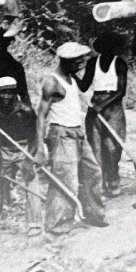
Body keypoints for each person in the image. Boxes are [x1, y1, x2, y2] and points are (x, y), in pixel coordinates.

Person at [38, 42, 107, 234]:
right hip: (61, 135)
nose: (80, 66)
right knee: (65, 180)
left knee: (93, 172)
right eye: (77, 63)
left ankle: (93, 214)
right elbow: (41, 115)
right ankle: (57, 225)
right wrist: (39, 147)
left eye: (81, 62)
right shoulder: (52, 82)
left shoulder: (71, 79)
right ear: (65, 61)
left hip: (78, 133)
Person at [0, 77, 43, 232]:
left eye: (10, 93)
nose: (6, 96)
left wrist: (28, 161)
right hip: (4, 150)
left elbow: (34, 138)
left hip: (24, 148)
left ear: (15, 93)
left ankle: (35, 224)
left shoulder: (25, 111)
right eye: (2, 93)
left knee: (31, 182)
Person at [78, 31, 128, 197]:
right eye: (106, 47)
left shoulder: (119, 63)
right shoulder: (93, 62)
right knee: (96, 148)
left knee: (112, 148)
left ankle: (113, 181)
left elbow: (121, 91)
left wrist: (102, 105)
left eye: (112, 47)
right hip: (95, 106)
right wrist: (72, 76)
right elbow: (85, 86)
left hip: (113, 108)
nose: (109, 50)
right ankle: (99, 185)